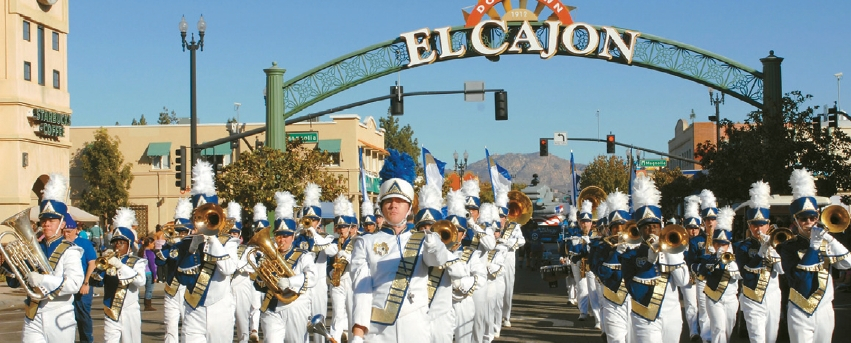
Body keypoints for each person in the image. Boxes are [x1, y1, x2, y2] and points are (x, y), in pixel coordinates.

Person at [349, 149, 458, 343]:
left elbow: (437, 259)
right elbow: (362, 290)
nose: (393, 205)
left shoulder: (423, 239)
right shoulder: (365, 242)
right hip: (379, 331)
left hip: (416, 327)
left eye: (399, 201)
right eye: (388, 201)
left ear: (409, 207)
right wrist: (358, 333)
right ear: (381, 207)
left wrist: (433, 241)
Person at [3, 173, 84, 342]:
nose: (46, 224)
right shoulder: (34, 248)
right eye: (44, 220)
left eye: (52, 220)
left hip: (59, 314)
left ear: (62, 224)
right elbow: (13, 282)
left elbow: (74, 284)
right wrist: (11, 263)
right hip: (33, 313)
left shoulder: (71, 251)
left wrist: (43, 280)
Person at [775, 169, 851, 342]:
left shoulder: (827, 243)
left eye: (812, 217)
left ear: (818, 217)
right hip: (800, 309)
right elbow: (798, 279)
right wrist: (813, 246)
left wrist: (830, 239)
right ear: (795, 221)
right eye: (803, 219)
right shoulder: (788, 247)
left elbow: (847, 264)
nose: (809, 222)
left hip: (825, 309)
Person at [173, 160, 239, 343]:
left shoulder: (229, 242)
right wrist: (193, 247)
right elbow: (182, 277)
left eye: (208, 216)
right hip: (193, 308)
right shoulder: (187, 244)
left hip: (220, 309)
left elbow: (227, 269)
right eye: (199, 216)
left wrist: (212, 238)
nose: (203, 221)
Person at [620, 175, 689, 342]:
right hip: (645, 316)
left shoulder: (674, 250)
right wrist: (649, 262)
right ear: (639, 230)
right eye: (646, 227)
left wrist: (669, 254)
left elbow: (684, 281)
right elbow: (635, 290)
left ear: (661, 227)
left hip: (672, 315)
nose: (651, 231)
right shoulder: (630, 256)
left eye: (655, 226)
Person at [254, 191, 315, 343]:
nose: (282, 240)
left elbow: (312, 277)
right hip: (271, 308)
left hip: (294, 307)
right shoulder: (269, 255)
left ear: (293, 236)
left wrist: (290, 282)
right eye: (279, 235)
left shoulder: (303, 255)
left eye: (286, 236)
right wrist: (262, 276)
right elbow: (258, 284)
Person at [733, 180, 783, 343]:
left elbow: (782, 270)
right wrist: (761, 252)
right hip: (751, 297)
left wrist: (772, 249)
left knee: (771, 338)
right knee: (757, 339)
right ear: (748, 225)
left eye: (762, 224)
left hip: (773, 296)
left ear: (768, 225)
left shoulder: (779, 243)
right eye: (754, 225)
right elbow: (745, 272)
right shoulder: (742, 246)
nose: (758, 229)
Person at [89, 208, 147, 343]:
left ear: (129, 245)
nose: (117, 246)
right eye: (115, 242)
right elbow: (95, 282)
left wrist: (120, 266)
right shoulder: (109, 261)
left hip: (130, 311)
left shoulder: (137, 262)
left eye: (121, 243)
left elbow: (140, 281)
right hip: (110, 309)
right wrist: (101, 267)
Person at [693, 207, 741, 343]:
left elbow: (739, 275)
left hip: (731, 299)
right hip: (714, 298)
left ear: (729, 244)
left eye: (724, 244)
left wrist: (729, 262)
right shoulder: (709, 256)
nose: (720, 247)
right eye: (717, 243)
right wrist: (714, 261)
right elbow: (701, 270)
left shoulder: (737, 254)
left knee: (727, 331)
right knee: (718, 329)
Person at [299, 182, 338, 343]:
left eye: (314, 220)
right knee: (302, 324)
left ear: (319, 221)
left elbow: (331, 251)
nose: (311, 222)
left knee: (319, 322)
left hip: (319, 285)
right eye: (308, 219)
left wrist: (314, 232)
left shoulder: (326, 238)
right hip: (302, 285)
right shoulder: (298, 238)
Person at [596, 191, 633, 343]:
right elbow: (601, 274)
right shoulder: (601, 248)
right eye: (615, 227)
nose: (619, 230)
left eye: (622, 226)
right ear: (610, 229)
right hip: (613, 301)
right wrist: (616, 253)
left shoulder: (637, 247)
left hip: (635, 301)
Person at [157, 197, 193, 343]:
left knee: (189, 327)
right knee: (170, 326)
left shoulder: (193, 245)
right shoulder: (170, 245)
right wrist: (171, 246)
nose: (180, 235)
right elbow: (159, 261)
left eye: (183, 232)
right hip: (172, 289)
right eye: (178, 231)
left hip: (189, 290)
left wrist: (180, 246)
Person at [445, 189, 478, 343]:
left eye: (459, 231)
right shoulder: (437, 254)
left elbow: (480, 279)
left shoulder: (471, 254)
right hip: (442, 304)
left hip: (463, 302)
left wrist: (460, 284)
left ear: (464, 234)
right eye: (452, 229)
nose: (455, 233)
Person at [494, 188, 525, 330]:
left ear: (506, 216)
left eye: (503, 216)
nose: (501, 219)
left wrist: (509, 243)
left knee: (507, 289)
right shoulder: (492, 227)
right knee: (495, 290)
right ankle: (496, 317)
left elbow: (522, 241)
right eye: (499, 216)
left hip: (508, 260)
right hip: (494, 261)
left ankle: (506, 316)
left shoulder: (514, 227)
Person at [63, 214, 98, 343]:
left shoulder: (84, 243)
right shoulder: (61, 243)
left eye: (69, 231)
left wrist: (86, 282)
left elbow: (92, 263)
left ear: (76, 230)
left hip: (82, 284)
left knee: (83, 315)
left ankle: (87, 340)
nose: (66, 234)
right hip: (66, 285)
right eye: (64, 231)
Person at [329, 195, 356, 343]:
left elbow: (360, 262)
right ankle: (335, 339)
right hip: (337, 282)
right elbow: (328, 263)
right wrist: (331, 272)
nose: (341, 230)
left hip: (351, 280)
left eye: (344, 227)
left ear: (350, 227)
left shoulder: (357, 241)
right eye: (339, 227)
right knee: (337, 314)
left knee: (352, 313)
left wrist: (347, 256)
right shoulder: (334, 242)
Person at [680, 195, 703, 342]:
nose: (693, 231)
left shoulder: (703, 240)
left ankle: (704, 332)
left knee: (703, 305)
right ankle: (693, 332)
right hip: (687, 276)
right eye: (690, 228)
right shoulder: (680, 239)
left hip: (701, 276)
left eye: (695, 228)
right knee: (690, 305)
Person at [139, 237, 157, 311]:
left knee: (144, 289)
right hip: (149, 273)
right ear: (149, 243)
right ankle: (147, 305)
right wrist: (155, 275)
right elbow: (152, 265)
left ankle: (146, 304)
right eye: (153, 243)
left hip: (143, 272)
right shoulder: (150, 253)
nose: (154, 245)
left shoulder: (141, 252)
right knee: (149, 289)